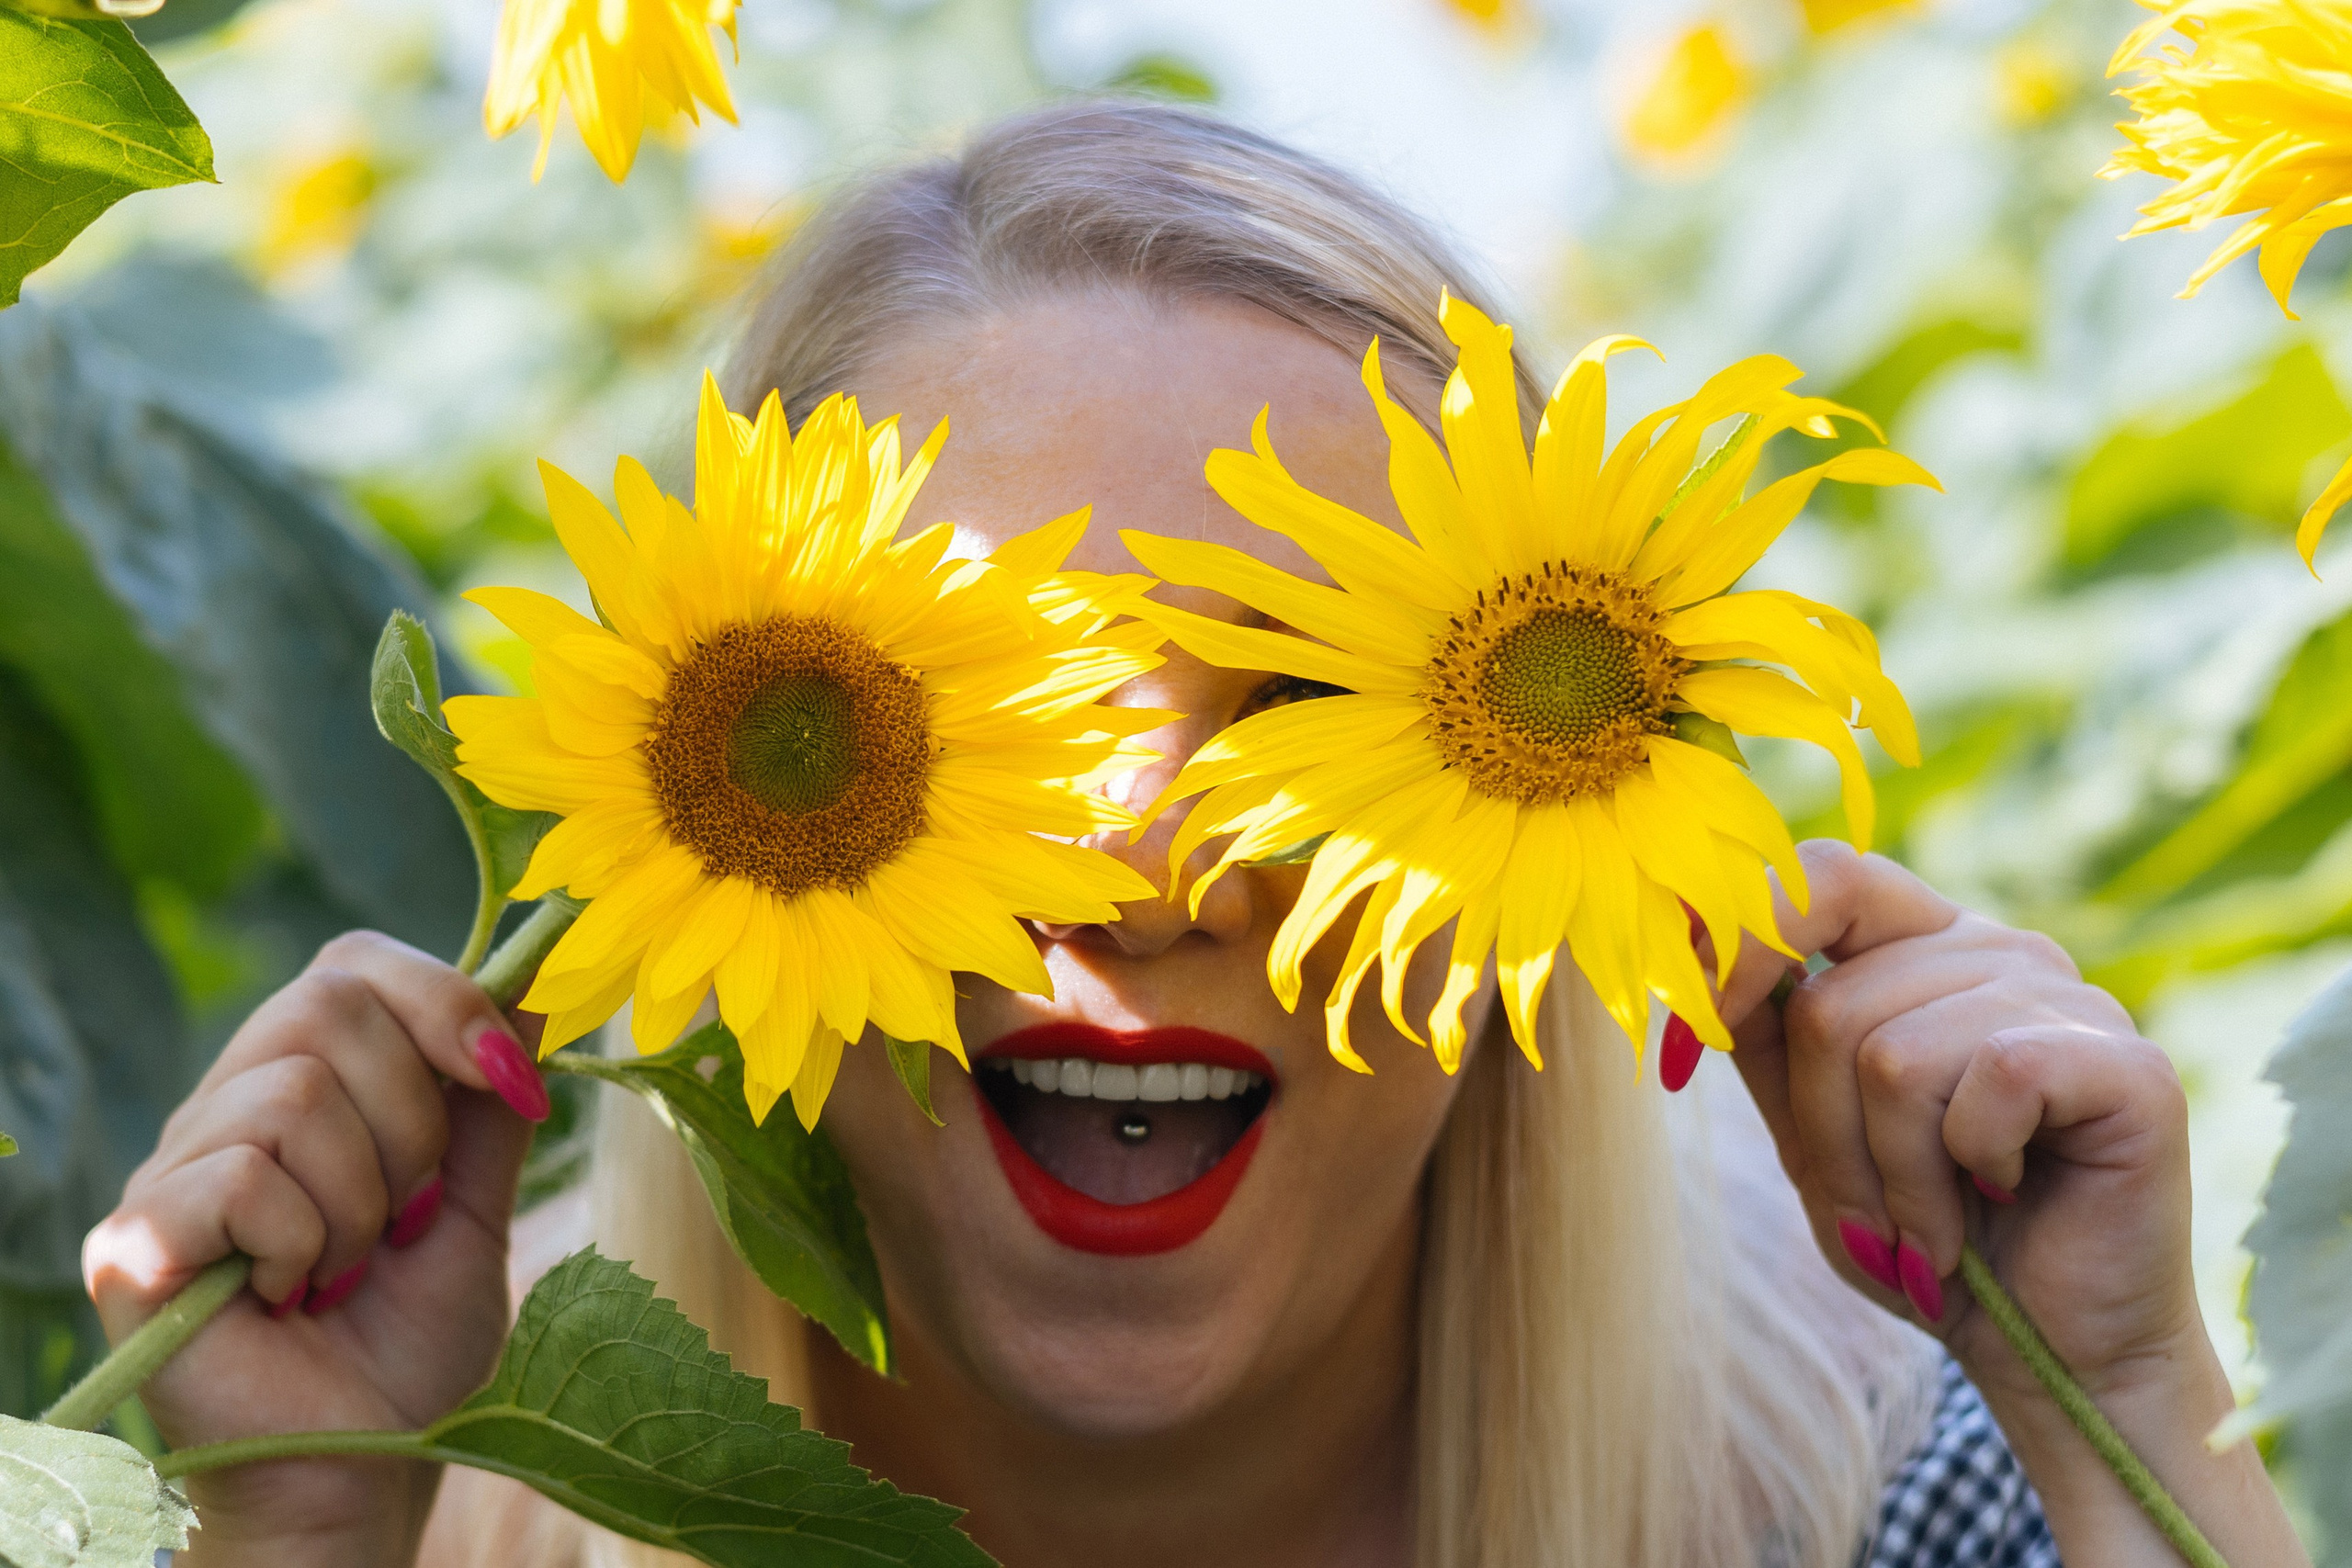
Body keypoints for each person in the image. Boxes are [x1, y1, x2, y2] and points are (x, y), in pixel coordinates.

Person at [82, 103, 2309, 1568]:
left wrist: (2121, 1430)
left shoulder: (1863, 1499)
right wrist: (293, 1537)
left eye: (1324, 709)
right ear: (716, 801)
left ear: (1558, 867)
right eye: (982, 724)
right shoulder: (434, 1494)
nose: (1154, 860)